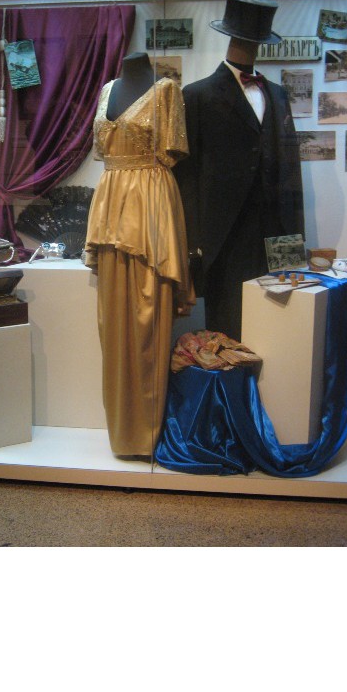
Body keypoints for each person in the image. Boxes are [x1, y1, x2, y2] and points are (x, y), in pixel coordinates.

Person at [82, 52, 195, 456]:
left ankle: (147, 435)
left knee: (149, 318)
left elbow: (172, 154)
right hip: (111, 204)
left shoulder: (167, 91)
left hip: (150, 205)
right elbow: (103, 152)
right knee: (112, 323)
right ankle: (121, 433)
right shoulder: (106, 91)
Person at [174, 0, 304, 340]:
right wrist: (192, 243)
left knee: (277, 326)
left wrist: (295, 240)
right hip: (223, 238)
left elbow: (291, 169)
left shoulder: (278, 95)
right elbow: (185, 176)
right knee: (226, 328)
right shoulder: (196, 96)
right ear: (232, 38)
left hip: (274, 232)